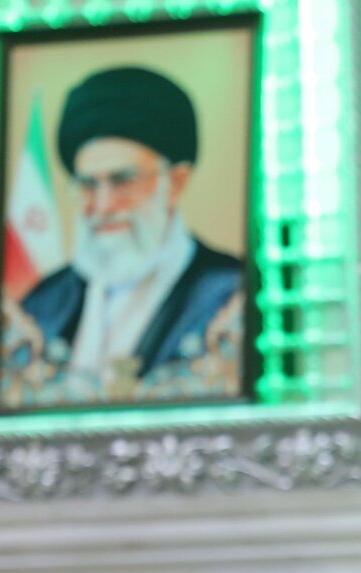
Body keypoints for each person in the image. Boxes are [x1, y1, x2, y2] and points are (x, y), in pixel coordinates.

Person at [13, 66, 247, 401]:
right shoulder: (42, 305)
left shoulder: (232, 296)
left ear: (176, 183)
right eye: (87, 185)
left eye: (123, 181)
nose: (103, 205)